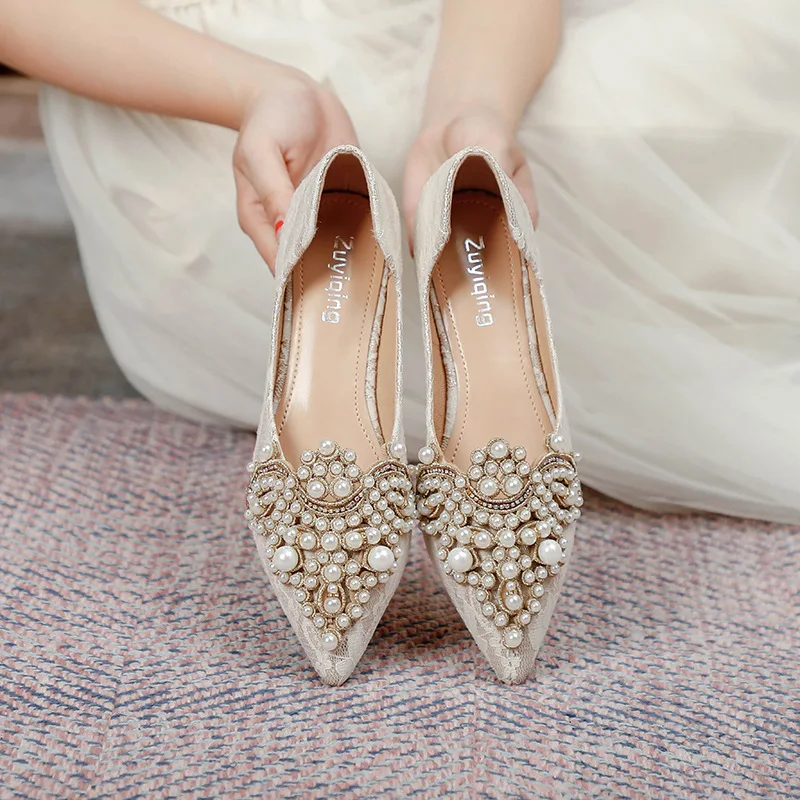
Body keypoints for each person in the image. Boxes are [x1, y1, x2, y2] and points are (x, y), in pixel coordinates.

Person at [1, 0, 798, 523]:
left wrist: (470, 109)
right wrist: (252, 91)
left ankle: (460, 178)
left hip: (452, 38)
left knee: (726, 64)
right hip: (191, 81)